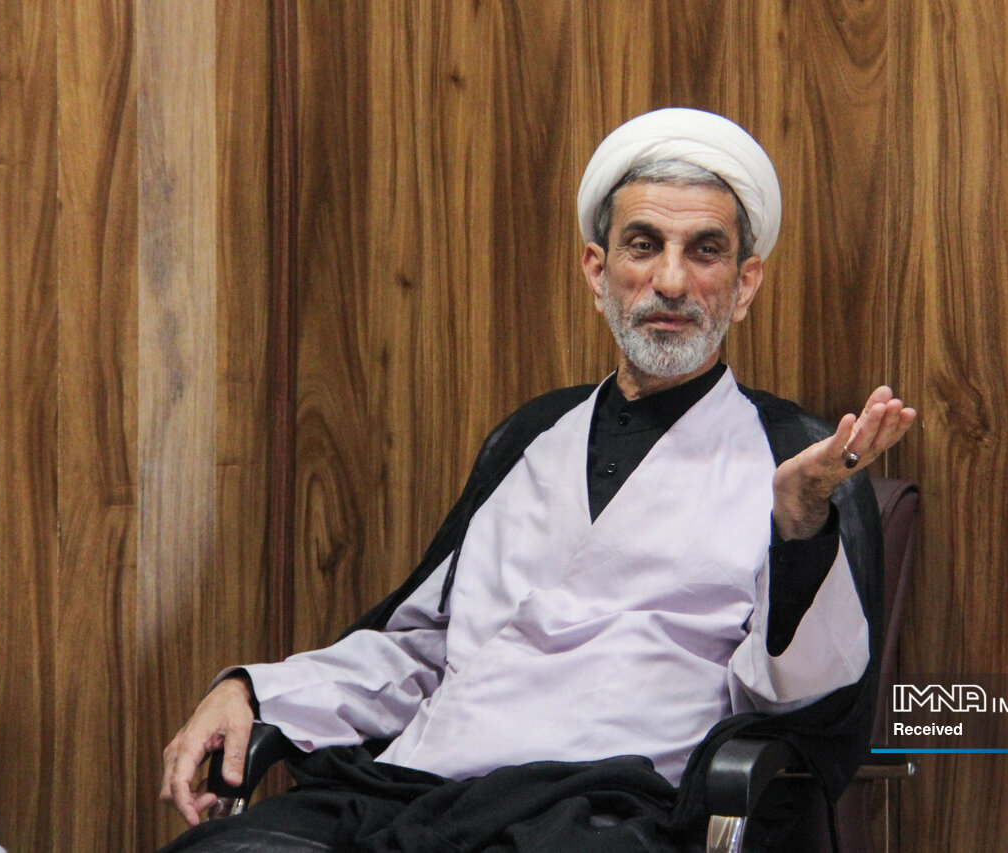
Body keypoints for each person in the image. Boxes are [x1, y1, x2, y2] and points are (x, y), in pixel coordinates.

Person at [158, 107, 916, 853]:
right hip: (422, 786)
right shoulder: (531, 434)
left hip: (609, 810)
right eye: (643, 245)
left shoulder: (792, 459)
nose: (671, 280)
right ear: (598, 271)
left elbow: (802, 702)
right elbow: (426, 648)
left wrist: (800, 527)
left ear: (744, 285)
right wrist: (254, 691)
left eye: (705, 251)